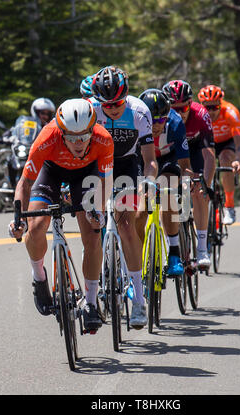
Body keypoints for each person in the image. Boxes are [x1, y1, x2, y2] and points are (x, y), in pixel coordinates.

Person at [8, 98, 114, 332]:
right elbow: (25, 183)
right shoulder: (47, 136)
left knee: (93, 233)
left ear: (92, 130)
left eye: (84, 137)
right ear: (61, 132)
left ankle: (91, 302)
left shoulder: (103, 139)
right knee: (36, 227)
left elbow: (105, 180)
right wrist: (20, 220)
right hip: (51, 173)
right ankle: (39, 277)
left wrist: (100, 211)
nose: (78, 143)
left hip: (86, 176)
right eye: (72, 137)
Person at [85, 65, 158, 329]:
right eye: (107, 105)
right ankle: (94, 286)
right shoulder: (90, 110)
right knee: (92, 224)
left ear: (126, 96)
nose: (112, 109)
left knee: (127, 225)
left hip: (127, 166)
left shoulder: (139, 111)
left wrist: (148, 182)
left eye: (117, 103)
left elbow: (150, 159)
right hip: (96, 166)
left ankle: (138, 300)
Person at [137, 88, 193, 276]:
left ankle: (175, 253)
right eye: (152, 120)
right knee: (138, 212)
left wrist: (185, 183)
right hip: (142, 162)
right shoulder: (134, 123)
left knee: (168, 192)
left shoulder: (176, 123)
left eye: (161, 120)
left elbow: (185, 165)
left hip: (168, 161)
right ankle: (140, 255)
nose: (156, 125)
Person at [162, 80, 216, 270]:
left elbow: (210, 156)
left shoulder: (201, 114)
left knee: (198, 192)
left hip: (195, 150)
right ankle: (172, 247)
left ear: (190, 103)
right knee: (167, 194)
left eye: (183, 108)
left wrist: (206, 185)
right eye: (173, 109)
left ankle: (202, 249)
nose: (179, 113)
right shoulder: (161, 117)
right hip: (173, 152)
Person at [198, 85, 240, 225]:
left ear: (221, 104)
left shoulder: (231, 112)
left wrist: (237, 160)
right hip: (208, 143)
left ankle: (229, 206)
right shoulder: (198, 114)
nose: (211, 112)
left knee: (225, 160)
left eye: (215, 107)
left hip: (226, 143)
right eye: (208, 108)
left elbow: (239, 143)